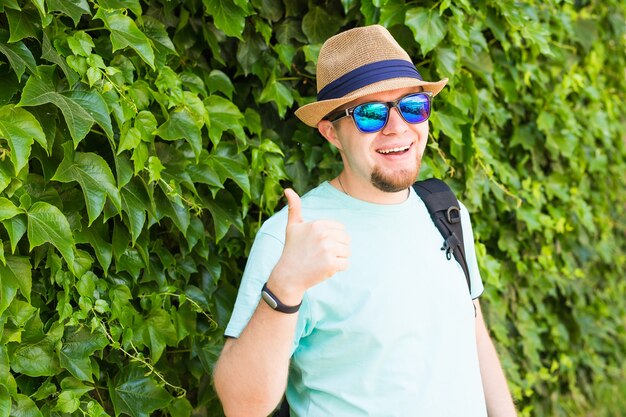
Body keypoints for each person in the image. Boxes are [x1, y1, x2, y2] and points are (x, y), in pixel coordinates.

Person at [213, 25, 517, 417]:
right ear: (331, 133)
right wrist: (286, 284)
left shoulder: (445, 212)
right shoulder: (290, 240)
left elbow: (472, 332)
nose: (397, 127)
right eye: (371, 114)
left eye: (412, 105)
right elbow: (241, 407)